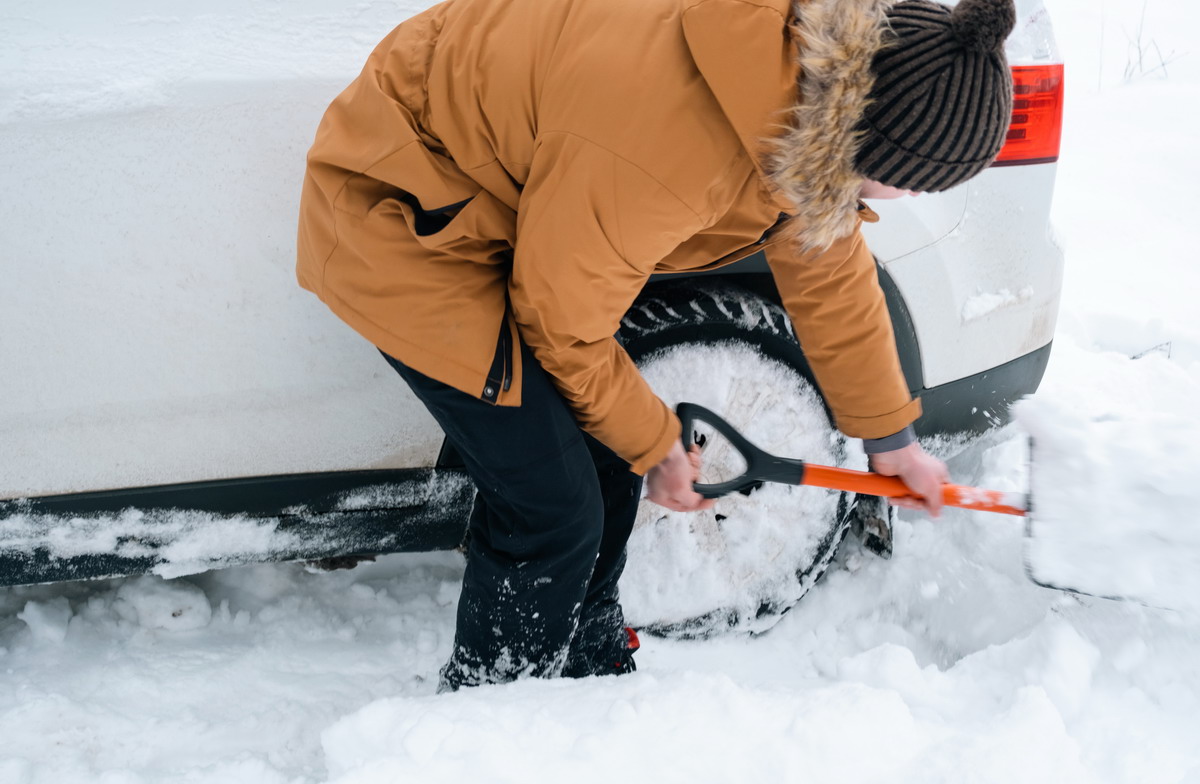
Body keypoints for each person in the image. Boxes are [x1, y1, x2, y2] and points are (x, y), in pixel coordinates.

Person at [296, 0, 1016, 690]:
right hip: (407, 205)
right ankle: (494, 706)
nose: (915, 198)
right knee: (552, 505)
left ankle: (584, 652)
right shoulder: (673, 147)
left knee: (602, 450)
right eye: (913, 182)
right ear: (869, 141)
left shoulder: (804, 82)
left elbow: (828, 269)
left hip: (521, 199)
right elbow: (560, 320)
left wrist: (892, 437)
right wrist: (658, 446)